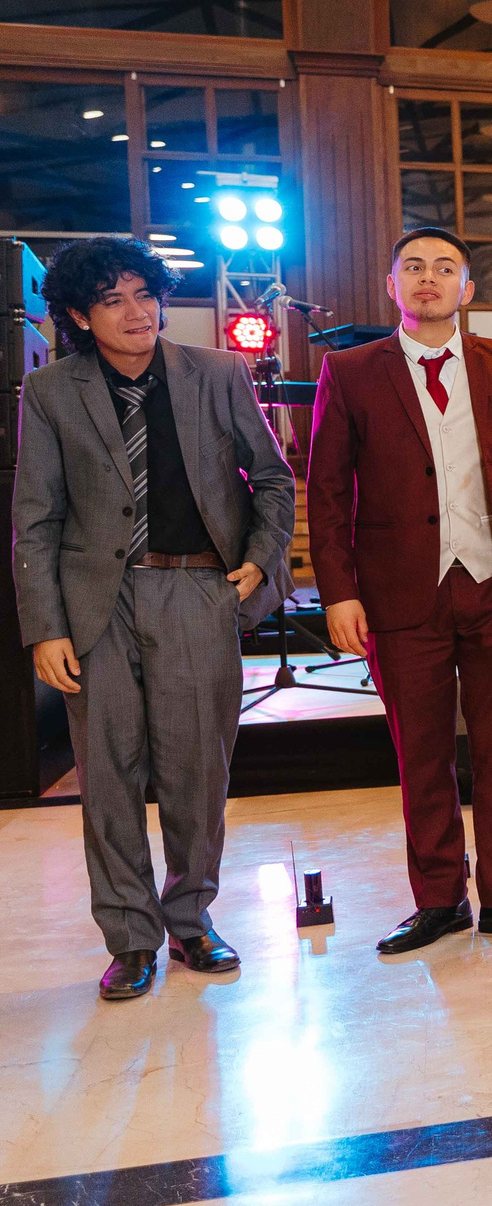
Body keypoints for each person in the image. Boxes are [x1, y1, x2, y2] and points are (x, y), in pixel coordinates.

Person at [12, 238, 295, 1001]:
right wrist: (44, 626)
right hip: (93, 606)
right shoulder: (50, 393)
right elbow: (34, 519)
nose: (138, 311)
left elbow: (272, 480)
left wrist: (260, 562)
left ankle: (192, 919)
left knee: (197, 770)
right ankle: (131, 938)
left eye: (146, 293)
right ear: (77, 314)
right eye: (113, 299)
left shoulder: (217, 372)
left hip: (196, 591)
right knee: (106, 779)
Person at [309, 227, 492, 955]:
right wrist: (338, 592)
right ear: (392, 285)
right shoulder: (353, 370)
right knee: (420, 754)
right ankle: (438, 900)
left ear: (468, 287)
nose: (429, 278)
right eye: (414, 267)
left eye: (446, 267)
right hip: (401, 593)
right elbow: (328, 492)